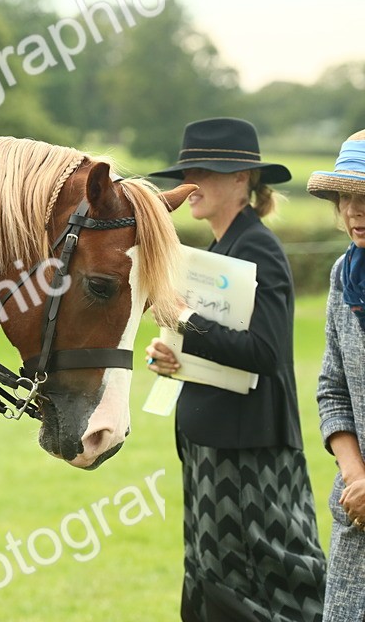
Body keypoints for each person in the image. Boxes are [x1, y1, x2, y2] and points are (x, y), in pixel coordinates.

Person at [145, 117, 325, 621]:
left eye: (205, 171)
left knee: (274, 583)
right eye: (187, 171)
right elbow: (223, 351)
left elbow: (265, 353)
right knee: (215, 579)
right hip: (215, 445)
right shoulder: (220, 249)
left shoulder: (256, 246)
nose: (190, 183)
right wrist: (175, 359)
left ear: (243, 180)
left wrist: (182, 317)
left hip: (251, 454)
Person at [308, 130, 365, 621]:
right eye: (345, 196)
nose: (353, 211)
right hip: (357, 513)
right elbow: (332, 388)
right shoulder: (343, 275)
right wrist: (355, 474)